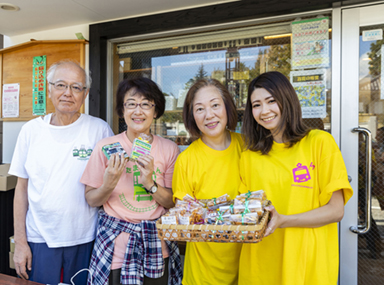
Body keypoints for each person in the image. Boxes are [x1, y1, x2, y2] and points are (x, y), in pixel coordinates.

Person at [238, 71, 353, 285]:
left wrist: (284, 220)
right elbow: (248, 213)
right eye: (256, 105)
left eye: (271, 101)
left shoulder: (319, 143)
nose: (264, 111)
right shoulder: (249, 156)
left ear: (286, 99)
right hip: (260, 265)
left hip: (307, 264)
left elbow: (336, 210)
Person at [9, 61, 114, 284]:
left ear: (85, 94)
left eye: (76, 87)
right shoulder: (31, 131)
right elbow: (21, 189)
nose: (68, 93)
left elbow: (112, 182)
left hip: (87, 238)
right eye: (60, 85)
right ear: (49, 89)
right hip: (40, 239)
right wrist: (20, 242)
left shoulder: (100, 130)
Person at [80, 77, 182, 285]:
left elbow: (172, 202)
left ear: (155, 111)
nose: (138, 111)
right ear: (122, 110)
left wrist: (150, 183)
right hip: (115, 248)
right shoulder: (105, 147)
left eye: (146, 104)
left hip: (156, 246)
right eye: (131, 104)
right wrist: (109, 182)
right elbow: (91, 199)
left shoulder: (169, 149)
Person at [172, 78, 243, 285]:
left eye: (215, 105)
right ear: (192, 116)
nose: (209, 115)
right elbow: (183, 215)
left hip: (249, 268)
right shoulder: (186, 159)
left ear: (227, 107)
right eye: (200, 109)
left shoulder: (248, 147)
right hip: (203, 274)